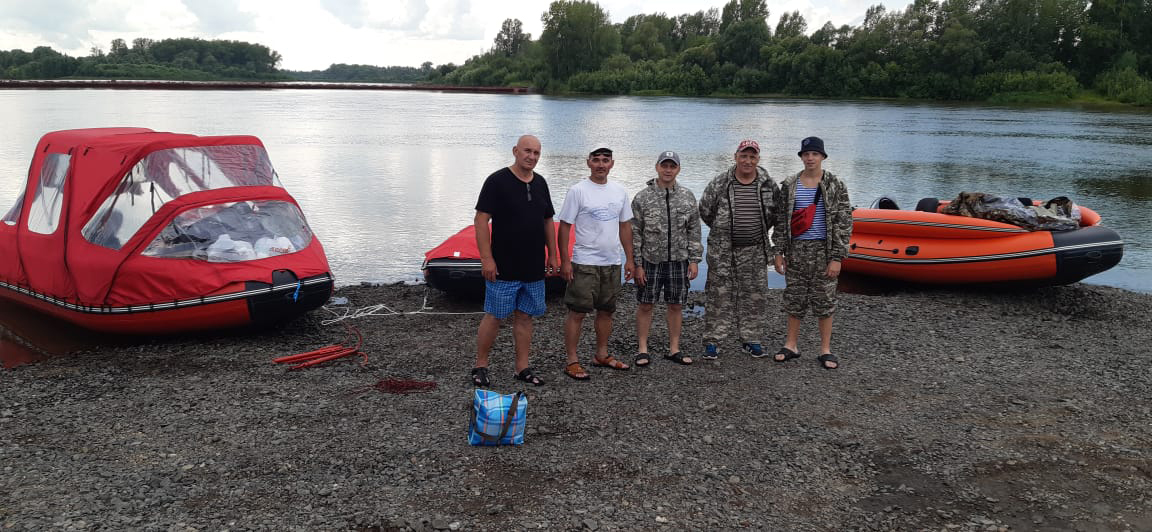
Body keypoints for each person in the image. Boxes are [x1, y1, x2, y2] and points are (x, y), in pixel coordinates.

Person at [471, 135, 560, 387]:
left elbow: (547, 220)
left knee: (525, 316)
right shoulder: (497, 181)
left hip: (533, 266)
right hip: (503, 265)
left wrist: (553, 254)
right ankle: (480, 366)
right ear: (515, 151)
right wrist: (486, 258)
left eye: (536, 153)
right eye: (527, 151)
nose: (531, 157)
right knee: (495, 315)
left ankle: (521, 367)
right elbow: (481, 220)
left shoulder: (541, 183)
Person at [772, 136, 852, 370]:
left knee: (825, 301)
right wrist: (778, 251)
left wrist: (837, 257)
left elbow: (844, 221)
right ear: (801, 157)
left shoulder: (835, 185)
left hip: (823, 250)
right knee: (794, 299)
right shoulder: (789, 184)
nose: (810, 158)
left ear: (822, 157)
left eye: (814, 154)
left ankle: (825, 349)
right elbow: (781, 221)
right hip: (796, 249)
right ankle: (791, 345)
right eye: (806, 154)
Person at [557, 147, 636, 380]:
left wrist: (629, 259)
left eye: (605, 160)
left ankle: (601, 354)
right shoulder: (578, 191)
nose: (601, 164)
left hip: (611, 262)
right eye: (596, 160)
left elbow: (625, 226)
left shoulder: (620, 191)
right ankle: (571, 360)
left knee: (606, 311)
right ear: (588, 163)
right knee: (577, 312)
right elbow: (564, 226)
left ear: (612, 164)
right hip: (584, 262)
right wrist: (565, 260)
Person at [698, 140, 780, 360]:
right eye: (744, 156)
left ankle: (751, 339)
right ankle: (713, 341)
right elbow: (705, 211)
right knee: (718, 295)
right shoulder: (720, 183)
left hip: (754, 250)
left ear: (758, 160)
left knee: (754, 296)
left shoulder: (767, 184)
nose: (748, 161)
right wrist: (724, 231)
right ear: (735, 157)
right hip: (722, 251)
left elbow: (775, 214)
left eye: (752, 157)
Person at [630, 150, 703, 366]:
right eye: (665, 165)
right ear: (657, 167)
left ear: (678, 169)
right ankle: (642, 349)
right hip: (650, 260)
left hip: (679, 260)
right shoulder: (642, 197)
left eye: (672, 166)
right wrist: (637, 264)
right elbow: (635, 232)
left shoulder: (687, 197)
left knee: (676, 305)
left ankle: (674, 348)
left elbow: (694, 230)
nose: (668, 170)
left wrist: (694, 259)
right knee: (645, 304)